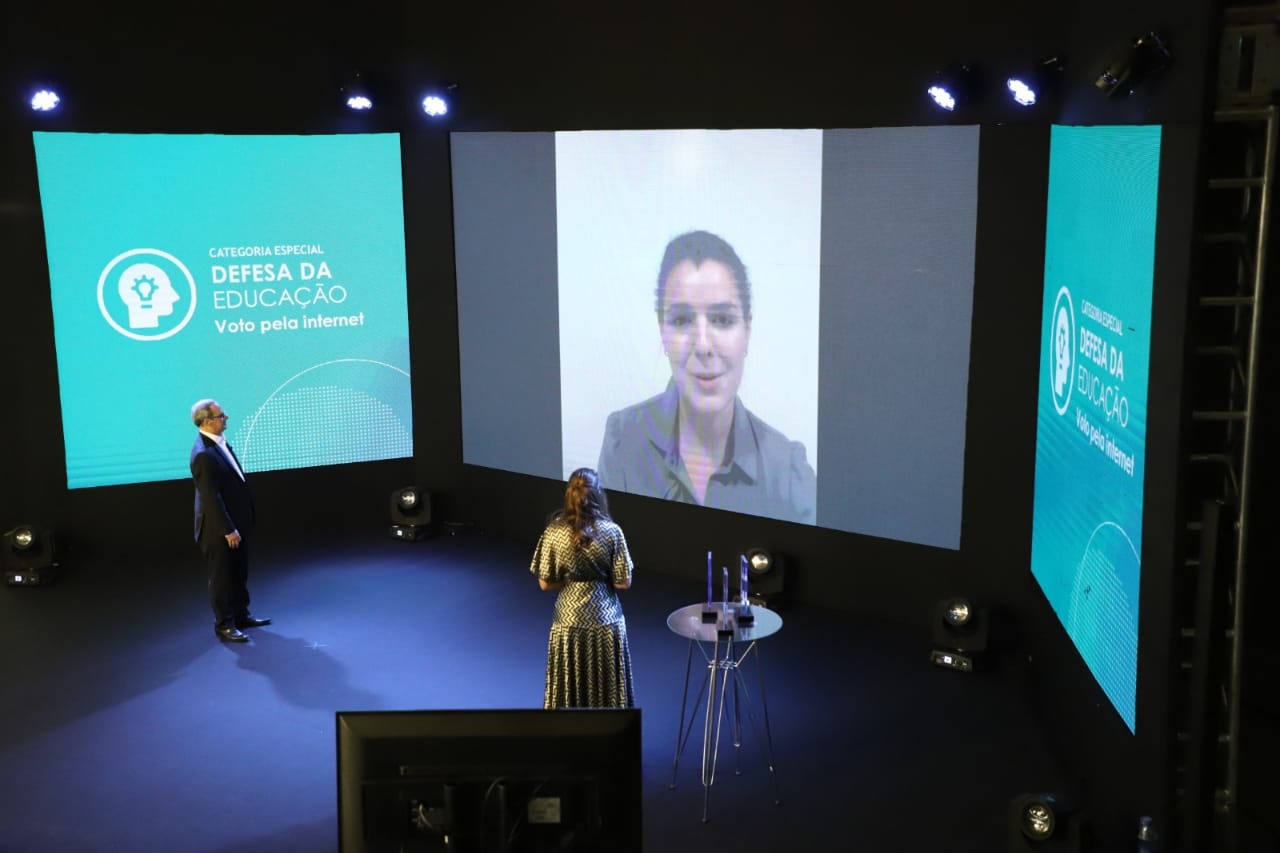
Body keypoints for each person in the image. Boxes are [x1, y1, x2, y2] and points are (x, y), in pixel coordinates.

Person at [597, 229, 816, 524]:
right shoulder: (622, 439)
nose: (702, 345)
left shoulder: (789, 473)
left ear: (747, 332)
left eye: (722, 319)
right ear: (662, 331)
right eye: (682, 320)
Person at [529, 468, 635, 708]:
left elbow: (545, 583)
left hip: (568, 620)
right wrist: (599, 578)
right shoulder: (612, 532)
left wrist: (570, 580)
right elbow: (623, 582)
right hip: (605, 619)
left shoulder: (553, 532)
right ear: (598, 495)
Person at [190, 398, 270, 643]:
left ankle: (240, 615)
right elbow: (210, 497)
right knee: (223, 577)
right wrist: (228, 529)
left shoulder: (218, 443)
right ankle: (224, 624)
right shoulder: (203, 454)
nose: (226, 418)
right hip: (219, 530)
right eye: (221, 415)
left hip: (236, 523)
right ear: (206, 422)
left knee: (238, 572)